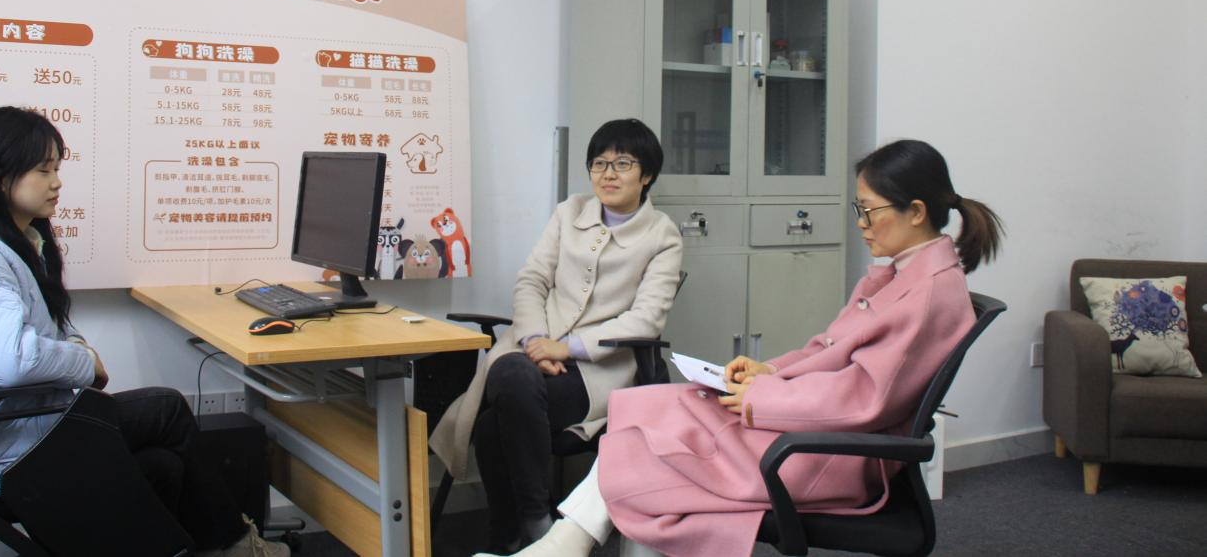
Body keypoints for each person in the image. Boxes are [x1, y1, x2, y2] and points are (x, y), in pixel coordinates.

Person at [477, 139, 1004, 557]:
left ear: (916, 211)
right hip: (812, 425)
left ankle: (561, 545)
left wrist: (762, 397)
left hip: (832, 452)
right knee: (655, 409)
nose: (860, 224)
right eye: (858, 209)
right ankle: (562, 544)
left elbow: (864, 399)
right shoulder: (907, 275)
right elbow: (828, 348)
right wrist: (769, 370)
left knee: (657, 431)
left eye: (868, 211)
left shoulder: (928, 293)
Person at [0, 107, 289, 557]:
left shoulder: (18, 244)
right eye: (43, 171)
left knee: (161, 466)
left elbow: (52, 329)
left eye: (57, 169)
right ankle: (238, 547)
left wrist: (76, 349)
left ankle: (216, 548)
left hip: (22, 429)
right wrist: (85, 363)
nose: (57, 183)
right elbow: (13, 361)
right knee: (166, 408)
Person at [430, 118, 683, 553]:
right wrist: (535, 341)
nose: (608, 174)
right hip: (533, 351)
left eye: (623, 164)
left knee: (493, 422)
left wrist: (565, 348)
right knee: (511, 376)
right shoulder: (570, 212)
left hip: (598, 372)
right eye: (599, 163)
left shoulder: (663, 236)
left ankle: (517, 530)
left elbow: (646, 321)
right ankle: (536, 526)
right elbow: (531, 280)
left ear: (647, 175)